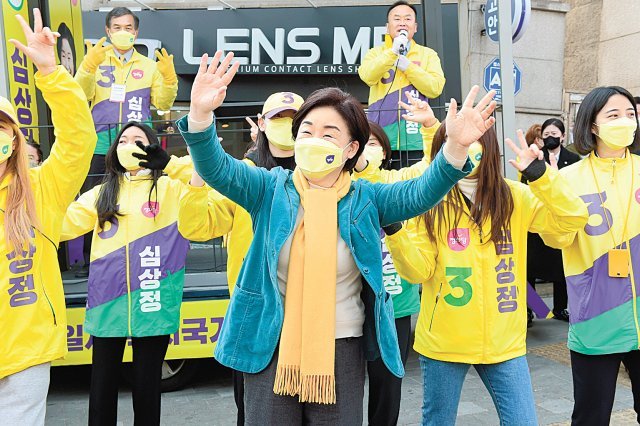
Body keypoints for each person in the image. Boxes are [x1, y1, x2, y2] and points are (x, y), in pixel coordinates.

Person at [178, 51, 496, 424]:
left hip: (342, 347)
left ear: (351, 150)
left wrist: (454, 148)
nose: (314, 140)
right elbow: (216, 167)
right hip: (269, 340)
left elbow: (420, 192)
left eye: (329, 134)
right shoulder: (267, 187)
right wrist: (200, 116)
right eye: (307, 131)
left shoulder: (366, 198)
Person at [388, 121, 589, 425]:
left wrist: (541, 177)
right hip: (444, 343)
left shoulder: (514, 196)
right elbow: (419, 271)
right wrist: (396, 231)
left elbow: (570, 223)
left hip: (504, 342)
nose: (468, 146)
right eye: (457, 139)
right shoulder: (428, 201)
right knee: (437, 421)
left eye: (476, 139)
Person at [60, 122, 211, 425]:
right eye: (123, 140)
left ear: (152, 148)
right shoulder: (101, 193)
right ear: (114, 151)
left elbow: (204, 175)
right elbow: (63, 224)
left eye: (139, 140)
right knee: (101, 389)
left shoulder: (171, 188)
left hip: (152, 298)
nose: (129, 145)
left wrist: (169, 165)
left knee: (147, 388)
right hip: (107, 301)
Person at [0, 9, 96, 424]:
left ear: (15, 139)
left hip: (26, 353)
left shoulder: (42, 187)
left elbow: (78, 141)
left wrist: (51, 73)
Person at [539, 86, 640, 425]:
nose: (625, 121)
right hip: (596, 317)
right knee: (591, 417)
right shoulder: (567, 179)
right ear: (593, 126)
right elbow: (556, 238)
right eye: (614, 115)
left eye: (630, 114)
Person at [208, 91, 305, 426]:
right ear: (262, 124)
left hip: (311, 312)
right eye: (278, 118)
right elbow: (200, 222)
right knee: (251, 410)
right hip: (256, 312)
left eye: (294, 119)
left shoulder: (324, 176)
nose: (286, 126)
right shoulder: (242, 175)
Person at [74, 6, 178, 276]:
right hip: (100, 140)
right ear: (108, 31)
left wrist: (169, 78)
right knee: (95, 196)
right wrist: (87, 66)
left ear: (136, 32)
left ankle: (142, 252)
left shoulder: (148, 66)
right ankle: (91, 259)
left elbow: (163, 103)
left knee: (143, 194)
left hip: (136, 141)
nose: (123, 32)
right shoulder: (96, 60)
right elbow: (79, 94)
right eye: (117, 28)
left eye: (128, 28)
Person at [358, 0, 445, 168]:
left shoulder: (428, 55)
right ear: (388, 26)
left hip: (415, 139)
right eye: (397, 19)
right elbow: (367, 76)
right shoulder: (376, 53)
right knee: (380, 188)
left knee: (414, 189)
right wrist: (392, 53)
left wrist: (408, 66)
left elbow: (435, 88)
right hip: (379, 137)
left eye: (408, 19)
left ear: (415, 27)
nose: (402, 23)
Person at [525, 118, 581, 326]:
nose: (550, 138)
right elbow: (526, 187)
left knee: (560, 269)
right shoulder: (535, 158)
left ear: (563, 136)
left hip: (560, 221)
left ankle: (560, 308)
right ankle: (530, 310)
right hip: (537, 220)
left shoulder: (573, 159)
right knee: (528, 269)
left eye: (554, 134)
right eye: (546, 134)